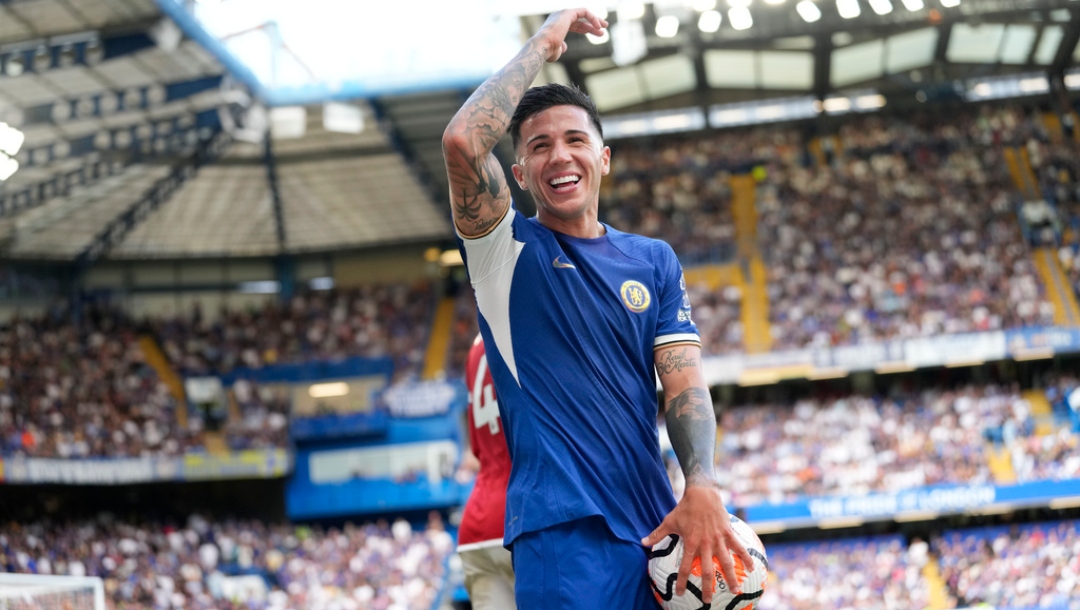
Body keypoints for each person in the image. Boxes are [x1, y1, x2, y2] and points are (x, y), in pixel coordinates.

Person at [442, 8, 752, 609]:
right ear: (519, 173)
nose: (559, 156)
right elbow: (462, 141)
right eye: (540, 147)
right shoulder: (503, 252)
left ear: (603, 158)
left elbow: (684, 383)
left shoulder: (654, 261)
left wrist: (702, 484)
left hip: (657, 528)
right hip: (563, 531)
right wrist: (545, 41)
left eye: (575, 140)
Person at [456, 334, 516, 609]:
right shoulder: (527, 319)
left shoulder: (475, 347)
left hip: (477, 525)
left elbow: (478, 450)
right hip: (521, 516)